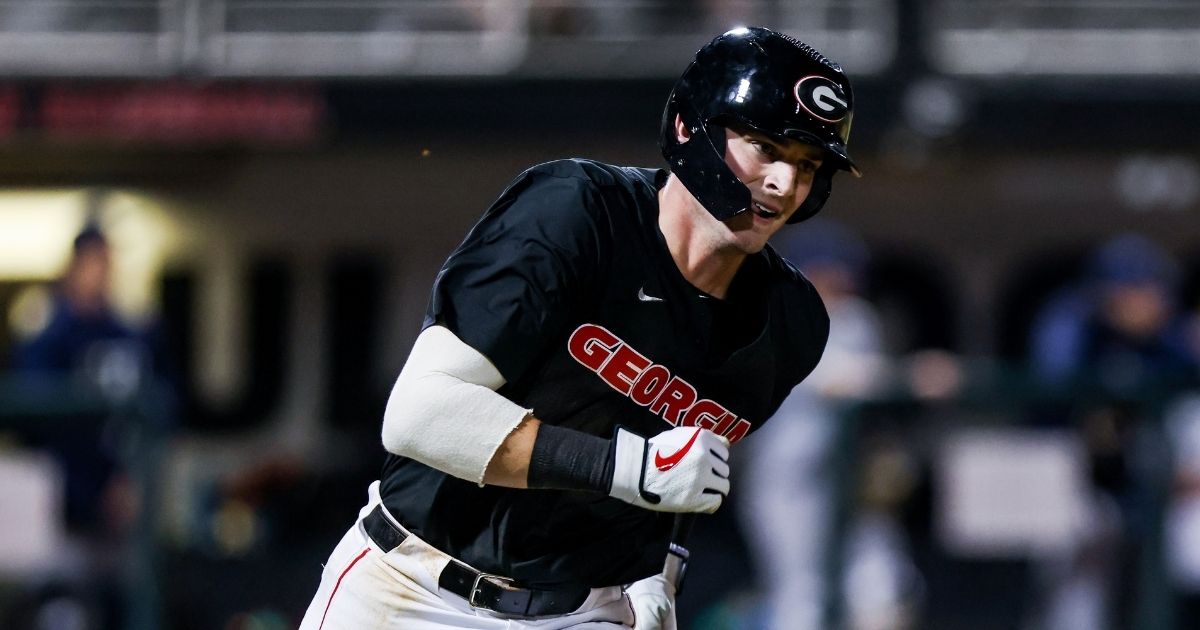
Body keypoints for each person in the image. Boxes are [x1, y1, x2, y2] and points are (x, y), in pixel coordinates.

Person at [300, 26, 862, 630]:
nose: (784, 184)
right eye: (765, 148)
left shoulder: (790, 324)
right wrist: (632, 472)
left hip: (584, 609)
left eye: (806, 164)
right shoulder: (574, 212)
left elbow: (685, 477)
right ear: (687, 127)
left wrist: (658, 569)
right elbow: (420, 416)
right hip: (412, 584)